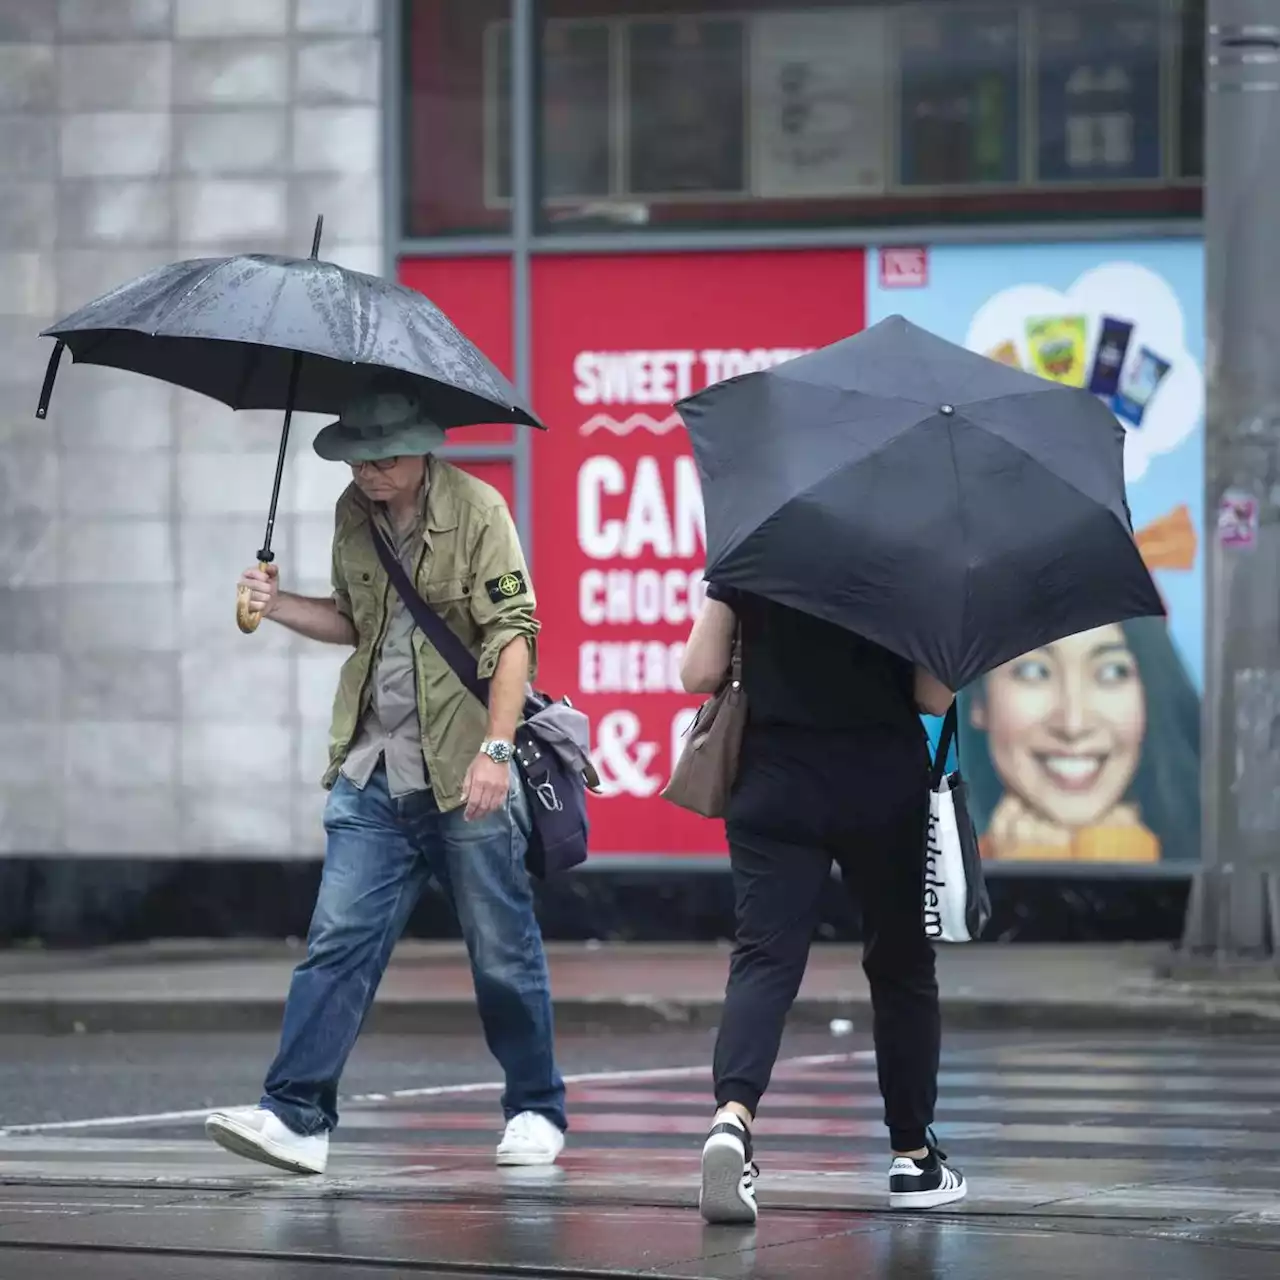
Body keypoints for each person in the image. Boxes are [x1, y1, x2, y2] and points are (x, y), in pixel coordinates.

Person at [204, 384, 566, 1176]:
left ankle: (536, 1107)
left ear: (422, 448)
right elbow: (355, 621)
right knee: (336, 943)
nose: (369, 473)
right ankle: (296, 1116)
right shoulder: (352, 514)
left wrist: (496, 752)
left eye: (384, 459)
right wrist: (278, 604)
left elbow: (514, 636)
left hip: (463, 770)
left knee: (501, 949)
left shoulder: (478, 511)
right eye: (357, 458)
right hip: (372, 769)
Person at [679, 583, 966, 1224]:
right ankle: (913, 1158)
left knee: (764, 960)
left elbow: (697, 670)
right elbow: (931, 696)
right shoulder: (911, 561)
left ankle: (732, 1122)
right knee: (900, 968)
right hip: (882, 784)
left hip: (773, 781)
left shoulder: (758, 548)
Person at [958, 617, 1201, 864]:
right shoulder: (931, 877)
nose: (1073, 724)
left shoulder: (1229, 869)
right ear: (980, 701)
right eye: (1034, 671)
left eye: (1112, 672)